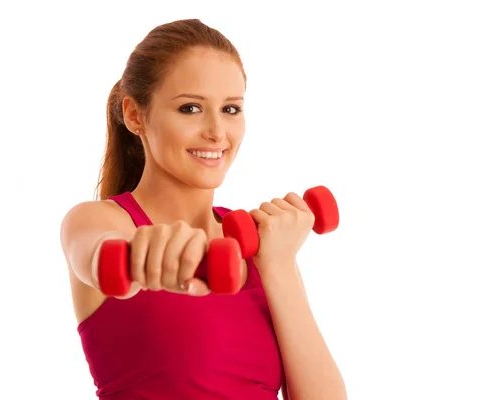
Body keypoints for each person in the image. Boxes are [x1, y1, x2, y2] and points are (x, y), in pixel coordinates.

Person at [60, 18, 347, 400]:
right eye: (191, 108)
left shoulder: (262, 246)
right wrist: (137, 259)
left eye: (231, 109)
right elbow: (97, 254)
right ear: (134, 115)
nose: (217, 132)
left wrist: (279, 266)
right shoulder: (102, 221)